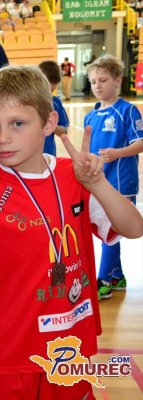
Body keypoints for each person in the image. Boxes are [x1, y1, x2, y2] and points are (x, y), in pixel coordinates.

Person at [0, 65, 143, 399]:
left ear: (49, 123)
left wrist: (97, 184)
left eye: (18, 124)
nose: (3, 138)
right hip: (8, 349)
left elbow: (134, 228)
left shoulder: (74, 176)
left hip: (70, 343)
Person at [84, 54, 143, 299]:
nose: (97, 86)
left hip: (121, 182)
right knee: (107, 231)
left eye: (103, 80)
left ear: (117, 80)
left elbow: (140, 143)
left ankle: (104, 281)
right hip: (99, 182)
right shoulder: (90, 116)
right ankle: (116, 276)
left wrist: (118, 153)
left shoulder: (127, 111)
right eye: (93, 81)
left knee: (113, 227)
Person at [38, 60, 70, 156]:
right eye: (44, 89)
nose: (47, 94)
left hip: (48, 155)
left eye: (51, 90)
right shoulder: (26, 101)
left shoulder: (56, 102)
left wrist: (50, 123)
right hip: (26, 157)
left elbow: (64, 131)